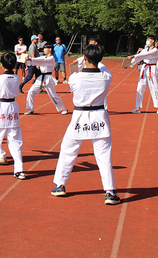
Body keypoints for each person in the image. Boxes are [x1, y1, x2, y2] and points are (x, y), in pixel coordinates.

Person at [51, 43, 120, 205]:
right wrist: (95, 58)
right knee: (103, 156)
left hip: (80, 116)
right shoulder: (106, 77)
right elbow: (101, 67)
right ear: (101, 59)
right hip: (99, 117)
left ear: (84, 58)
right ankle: (110, 191)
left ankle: (60, 184)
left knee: (68, 151)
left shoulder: (75, 78)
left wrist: (82, 61)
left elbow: (79, 74)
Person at [24, 45, 68, 115]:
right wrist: (25, 59)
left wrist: (30, 59)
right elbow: (37, 60)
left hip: (48, 78)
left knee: (53, 96)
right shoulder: (43, 57)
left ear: (50, 49)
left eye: (45, 49)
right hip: (41, 77)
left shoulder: (51, 58)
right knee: (31, 92)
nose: (44, 50)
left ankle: (63, 108)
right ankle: (30, 109)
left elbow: (43, 61)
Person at [127, 35, 158, 114]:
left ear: (152, 41)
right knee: (140, 88)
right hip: (144, 68)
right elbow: (139, 58)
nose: (147, 41)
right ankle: (137, 107)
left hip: (152, 69)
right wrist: (129, 64)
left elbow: (143, 55)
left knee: (154, 88)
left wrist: (133, 55)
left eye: (148, 39)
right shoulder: (145, 50)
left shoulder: (155, 51)